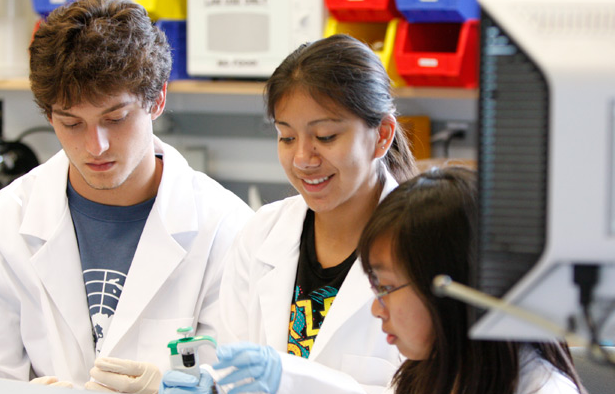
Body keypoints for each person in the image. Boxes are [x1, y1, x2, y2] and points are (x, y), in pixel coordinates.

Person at [0, 0, 253, 391]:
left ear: (157, 100)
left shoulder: (226, 228)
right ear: (49, 116)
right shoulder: (9, 220)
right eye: (71, 123)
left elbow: (236, 381)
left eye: (115, 119)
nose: (94, 146)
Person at [160, 34, 418, 394]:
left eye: (326, 137)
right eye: (286, 137)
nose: (302, 159)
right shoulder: (262, 234)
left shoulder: (425, 245)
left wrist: (291, 381)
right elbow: (235, 365)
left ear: (382, 135)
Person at [357, 166, 587, 394]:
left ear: (458, 286)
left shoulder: (544, 389)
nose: (377, 309)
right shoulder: (426, 373)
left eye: (386, 287)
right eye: (377, 287)